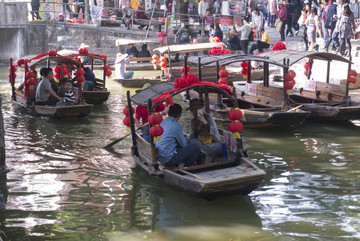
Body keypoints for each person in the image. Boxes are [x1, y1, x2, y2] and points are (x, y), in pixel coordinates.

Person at [188, 99, 222, 164]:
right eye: (193, 110)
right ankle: (205, 153)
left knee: (219, 147)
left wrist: (204, 122)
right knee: (192, 141)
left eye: (197, 109)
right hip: (202, 145)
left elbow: (214, 132)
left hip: (213, 144)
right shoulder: (193, 121)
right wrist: (198, 127)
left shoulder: (208, 117)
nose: (195, 112)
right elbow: (192, 137)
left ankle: (204, 152)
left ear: (201, 109)